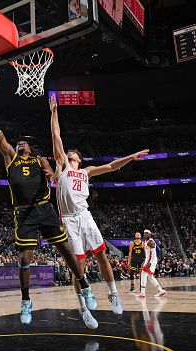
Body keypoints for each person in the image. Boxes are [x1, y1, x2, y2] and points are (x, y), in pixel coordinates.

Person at [0, 82, 97, 328]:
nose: (20, 143)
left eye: (24, 142)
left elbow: (51, 171)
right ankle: (25, 301)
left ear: (30, 148)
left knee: (66, 250)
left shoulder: (39, 159)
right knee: (25, 259)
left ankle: (85, 286)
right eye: (18, 142)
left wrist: (53, 175)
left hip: (45, 208)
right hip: (23, 215)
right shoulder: (10, 157)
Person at [50, 95, 148, 316]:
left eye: (73, 153)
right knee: (79, 267)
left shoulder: (87, 171)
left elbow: (112, 166)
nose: (69, 153)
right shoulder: (63, 166)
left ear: (79, 158)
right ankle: (83, 306)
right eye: (68, 152)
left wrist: (132, 157)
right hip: (69, 220)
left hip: (85, 216)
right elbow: (56, 136)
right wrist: (54, 112)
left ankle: (113, 295)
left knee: (102, 256)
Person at [136, 230, 166, 298]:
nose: (145, 234)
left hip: (151, 260)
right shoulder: (146, 241)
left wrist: (149, 263)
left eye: (147, 233)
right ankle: (161, 290)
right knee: (150, 276)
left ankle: (142, 293)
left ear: (150, 234)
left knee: (143, 274)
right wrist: (145, 261)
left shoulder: (150, 242)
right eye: (144, 233)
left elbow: (154, 253)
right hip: (148, 260)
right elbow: (148, 254)